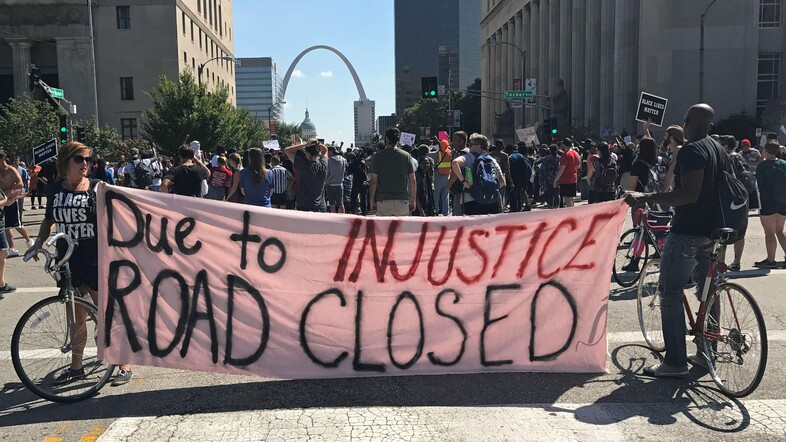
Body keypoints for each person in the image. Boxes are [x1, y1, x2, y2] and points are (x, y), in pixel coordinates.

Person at [625, 103, 734, 377]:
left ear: (686, 122)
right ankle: (705, 351)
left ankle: (674, 362)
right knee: (707, 293)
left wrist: (646, 198)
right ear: (710, 124)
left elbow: (688, 195)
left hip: (688, 231)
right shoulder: (717, 149)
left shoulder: (691, 151)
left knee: (670, 292)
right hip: (713, 230)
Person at [24, 141, 133, 385]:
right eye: (80, 159)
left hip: (95, 259)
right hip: (68, 262)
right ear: (66, 161)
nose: (86, 164)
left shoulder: (97, 188)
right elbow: (48, 218)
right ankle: (76, 367)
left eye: (88, 159)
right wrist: (38, 242)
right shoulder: (54, 189)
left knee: (107, 314)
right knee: (78, 318)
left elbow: (121, 214)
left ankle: (124, 361)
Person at [448, 133, 505, 216]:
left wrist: (463, 181)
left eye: (471, 144)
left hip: (470, 199)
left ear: (478, 146)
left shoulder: (468, 157)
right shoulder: (492, 160)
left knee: (472, 227)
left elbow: (454, 163)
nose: (469, 146)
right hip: (491, 199)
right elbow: (502, 182)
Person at [369, 127, 416, 216]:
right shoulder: (407, 156)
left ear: (386, 139)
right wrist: (413, 200)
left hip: (383, 200)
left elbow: (373, 181)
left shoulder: (378, 157)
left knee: (384, 229)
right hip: (402, 200)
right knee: (401, 229)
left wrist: (372, 200)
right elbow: (412, 180)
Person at [753, 141, 786, 268]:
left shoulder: (763, 166)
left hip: (768, 202)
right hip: (783, 201)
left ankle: (770, 260)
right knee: (779, 230)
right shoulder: (784, 164)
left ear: (766, 151)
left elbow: (759, 184)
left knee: (769, 232)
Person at [0, 152, 33, 257]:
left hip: (11, 199)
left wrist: (8, 192)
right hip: (2, 200)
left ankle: (29, 241)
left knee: (17, 224)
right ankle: (12, 248)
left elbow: (20, 183)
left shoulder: (10, 170)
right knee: (5, 226)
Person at [284, 136, 328, 213]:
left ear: (307, 153)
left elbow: (287, 150)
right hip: (320, 206)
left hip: (304, 205)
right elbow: (325, 150)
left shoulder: (303, 165)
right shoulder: (324, 165)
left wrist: (305, 144)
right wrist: (317, 144)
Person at [554, 139, 580, 207]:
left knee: (567, 198)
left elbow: (562, 169)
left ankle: (571, 213)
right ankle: (573, 211)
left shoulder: (565, 155)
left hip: (565, 179)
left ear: (564, 145)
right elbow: (578, 166)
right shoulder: (576, 153)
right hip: (573, 178)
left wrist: (556, 179)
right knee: (571, 197)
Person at [449, 131, 470, 216]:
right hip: (470, 189)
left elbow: (454, 175)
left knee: (458, 215)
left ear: (461, 141)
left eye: (455, 140)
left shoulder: (458, 156)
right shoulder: (470, 153)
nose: (452, 142)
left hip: (459, 189)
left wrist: (448, 186)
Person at [430, 139, 452, 216]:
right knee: (445, 196)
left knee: (436, 195)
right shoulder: (450, 154)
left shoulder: (436, 154)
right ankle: (446, 212)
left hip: (437, 177)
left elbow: (426, 155)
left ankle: (435, 210)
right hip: (447, 178)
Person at [508, 144, 532, 212]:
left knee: (514, 195)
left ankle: (514, 209)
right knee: (520, 194)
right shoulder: (521, 156)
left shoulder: (510, 157)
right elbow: (527, 168)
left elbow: (509, 170)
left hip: (514, 178)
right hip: (523, 178)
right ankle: (520, 208)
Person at [414, 144, 435, 216]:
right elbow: (415, 194)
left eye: (427, 163)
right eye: (424, 163)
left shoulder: (427, 175)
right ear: (419, 164)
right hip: (419, 210)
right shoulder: (417, 175)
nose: (426, 165)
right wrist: (420, 210)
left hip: (428, 207)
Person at [662, 125, 685, 192]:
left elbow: (671, 174)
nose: (664, 139)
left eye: (665, 136)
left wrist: (662, 194)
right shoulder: (685, 149)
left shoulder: (678, 150)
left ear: (671, 138)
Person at [325, 145, 347, 213]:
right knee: (341, 203)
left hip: (330, 184)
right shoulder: (343, 160)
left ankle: (333, 218)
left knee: (332, 204)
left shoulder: (329, 160)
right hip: (340, 184)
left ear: (331, 151)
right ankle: (343, 217)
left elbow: (327, 172)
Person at [347, 151, 369, 215]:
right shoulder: (362, 163)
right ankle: (364, 212)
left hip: (356, 182)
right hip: (364, 182)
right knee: (363, 198)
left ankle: (353, 212)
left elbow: (348, 173)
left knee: (353, 198)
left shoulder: (352, 164)